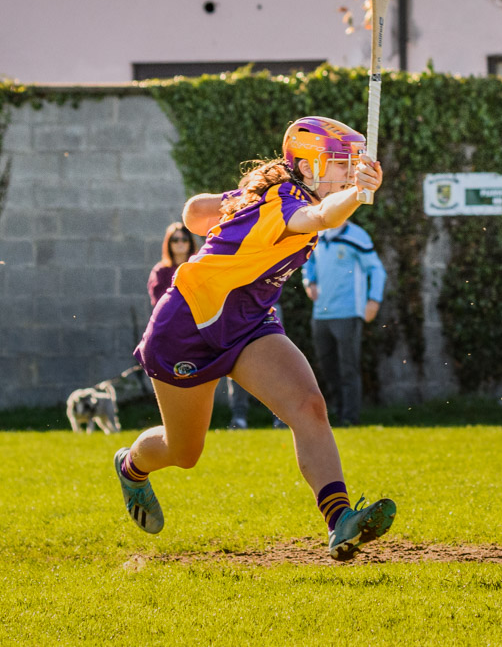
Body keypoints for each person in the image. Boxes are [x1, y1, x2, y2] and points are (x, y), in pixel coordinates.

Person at [116, 116, 396, 561]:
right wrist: (358, 195)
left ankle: (340, 521)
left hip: (248, 324)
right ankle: (131, 467)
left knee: (309, 407)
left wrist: (232, 204)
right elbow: (322, 216)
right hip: (186, 328)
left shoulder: (275, 194)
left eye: (352, 163)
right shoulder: (287, 200)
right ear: (307, 168)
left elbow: (194, 214)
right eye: (342, 163)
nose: (350, 170)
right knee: (184, 451)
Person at [149, 225, 256, 431]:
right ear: (168, 244)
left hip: (203, 331)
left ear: (190, 243)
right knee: (179, 379)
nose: (180, 243)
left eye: (184, 239)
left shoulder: (199, 267)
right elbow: (161, 304)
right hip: (174, 335)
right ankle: (179, 425)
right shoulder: (161, 271)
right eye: (175, 239)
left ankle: (232, 417)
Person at [302, 220, 386, 427]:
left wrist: (373, 300)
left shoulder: (358, 236)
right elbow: (307, 261)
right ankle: (334, 416)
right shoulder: (317, 234)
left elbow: (377, 270)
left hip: (349, 312)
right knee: (327, 367)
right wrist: (309, 281)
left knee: (348, 368)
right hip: (321, 313)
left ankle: (349, 418)